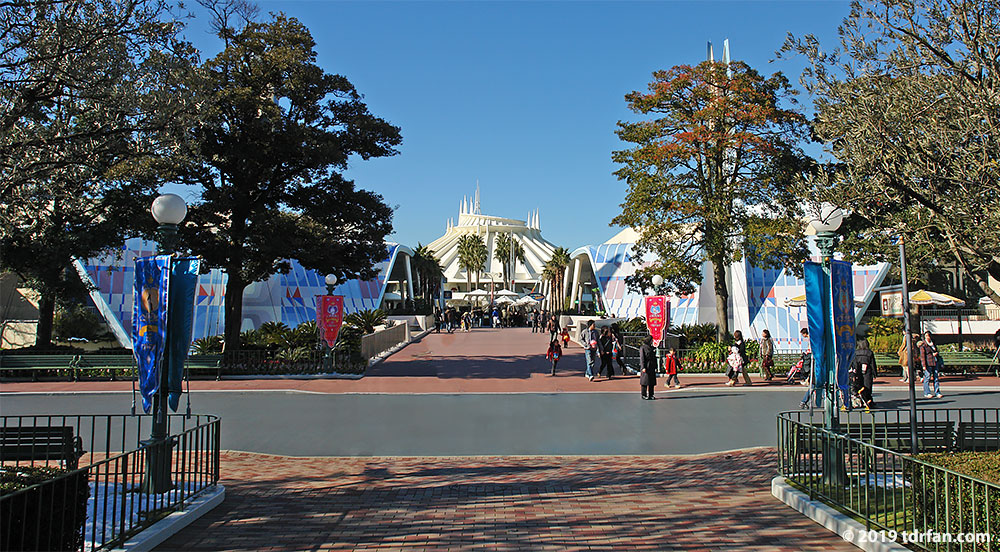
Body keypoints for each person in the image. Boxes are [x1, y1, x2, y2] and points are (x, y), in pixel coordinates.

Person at [853, 337, 877, 411]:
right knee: (868, 386)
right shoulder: (869, 353)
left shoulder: (856, 353)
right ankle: (869, 400)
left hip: (858, 372)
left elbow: (854, 364)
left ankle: (861, 400)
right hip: (867, 372)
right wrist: (875, 373)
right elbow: (873, 364)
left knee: (860, 386)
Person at [919, 331, 943, 398]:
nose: (928, 337)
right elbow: (922, 356)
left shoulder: (933, 343)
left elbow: (936, 350)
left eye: (929, 335)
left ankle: (937, 392)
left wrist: (936, 353)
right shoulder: (923, 345)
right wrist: (923, 365)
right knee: (927, 377)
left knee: (936, 378)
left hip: (935, 362)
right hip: (928, 362)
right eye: (926, 336)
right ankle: (927, 392)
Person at [638, 335, 657, 399]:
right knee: (645, 381)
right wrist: (643, 367)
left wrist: (655, 366)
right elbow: (642, 358)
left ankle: (651, 395)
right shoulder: (643, 348)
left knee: (651, 382)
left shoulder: (652, 348)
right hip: (646, 366)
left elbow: (654, 358)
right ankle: (644, 394)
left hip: (651, 366)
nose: (652, 341)